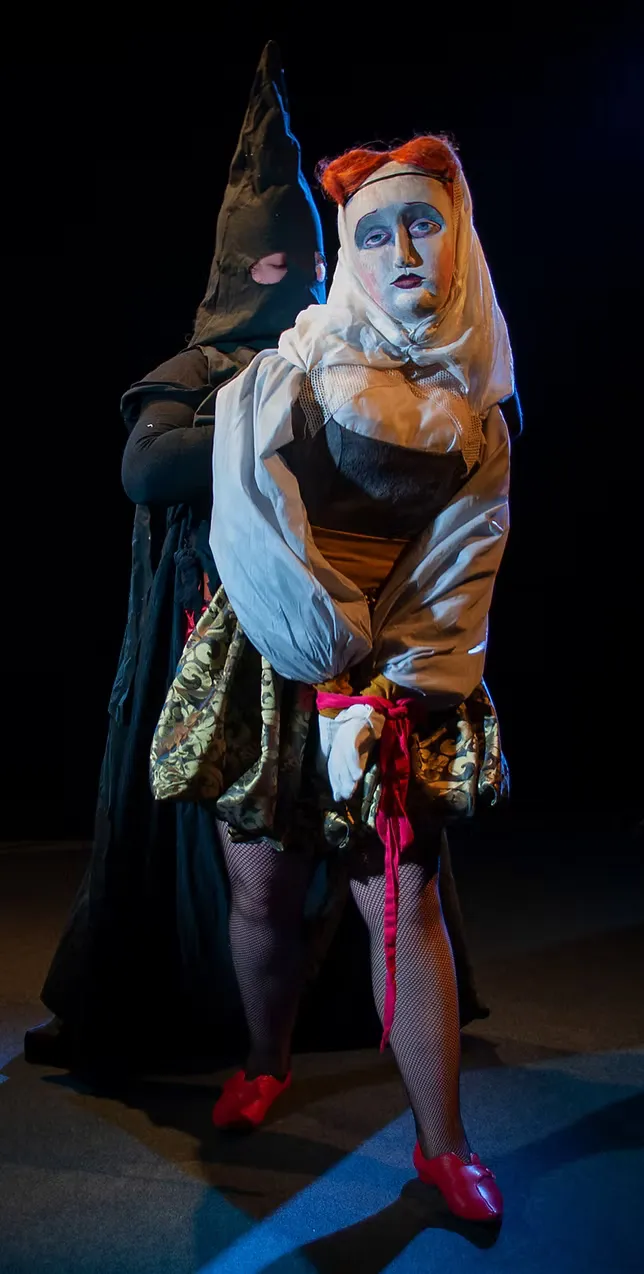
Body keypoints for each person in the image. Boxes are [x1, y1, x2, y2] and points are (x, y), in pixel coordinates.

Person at [25, 46, 492, 1073]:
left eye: (305, 270)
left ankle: (388, 1077)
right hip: (218, 638)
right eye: (269, 270)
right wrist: (264, 414)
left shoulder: (346, 354)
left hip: (365, 645)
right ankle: (228, 1040)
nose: (289, 288)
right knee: (235, 870)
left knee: (381, 871)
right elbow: (146, 470)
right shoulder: (215, 370)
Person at [159, 130, 514, 1222]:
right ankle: (266, 1059)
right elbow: (248, 520)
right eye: (377, 232)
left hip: (392, 671)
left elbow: (464, 555)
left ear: (455, 244)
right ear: (347, 257)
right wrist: (320, 640)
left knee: (399, 901)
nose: (404, 249)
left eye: (424, 226)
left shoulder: (478, 405)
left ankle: (441, 1143)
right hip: (274, 649)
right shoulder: (289, 367)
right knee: (260, 888)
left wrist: (399, 677)